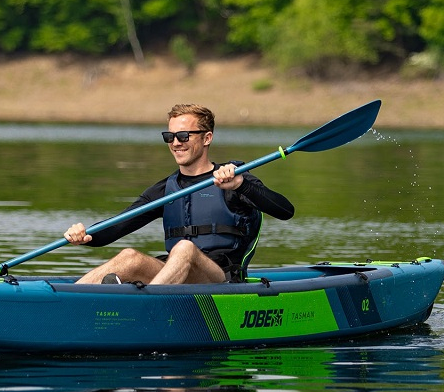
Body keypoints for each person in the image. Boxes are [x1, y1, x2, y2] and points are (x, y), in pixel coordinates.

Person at [64, 104, 294, 285]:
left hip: (221, 279)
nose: (175, 143)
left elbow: (285, 211)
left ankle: (147, 304)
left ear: (207, 138)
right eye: (169, 136)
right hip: (174, 274)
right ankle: (66, 302)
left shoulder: (234, 177)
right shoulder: (166, 188)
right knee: (129, 257)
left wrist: (241, 185)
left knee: (184, 248)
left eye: (183, 136)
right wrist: (85, 236)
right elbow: (118, 226)